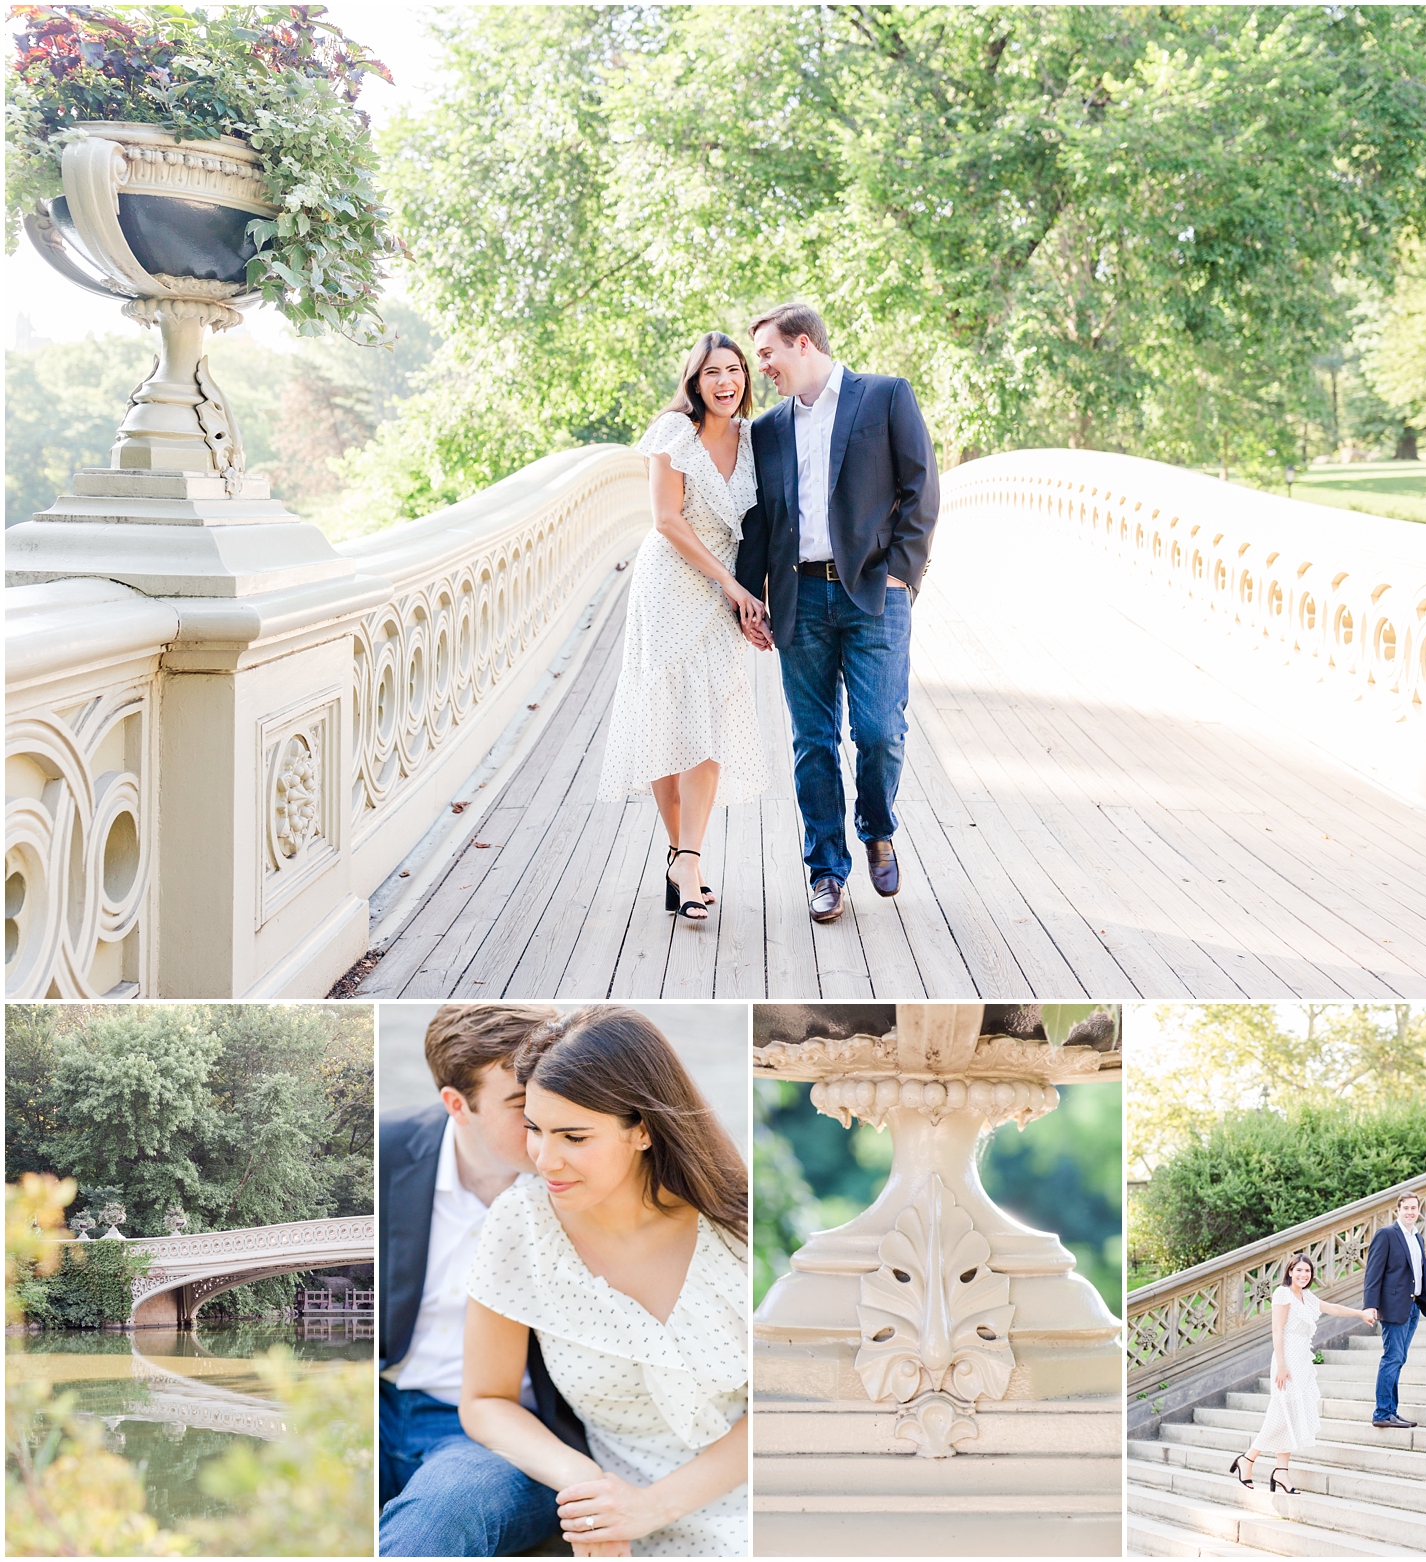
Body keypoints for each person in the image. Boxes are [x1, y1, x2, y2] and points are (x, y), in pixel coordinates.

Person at [460, 1007, 749, 1557]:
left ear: (641, 1130)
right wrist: (585, 1489)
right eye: (534, 1130)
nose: (545, 1158)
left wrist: (655, 1506)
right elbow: (484, 1400)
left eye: (573, 1136)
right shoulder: (520, 1225)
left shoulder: (733, 1225)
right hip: (615, 1511)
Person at [735, 302, 940, 924]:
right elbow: (758, 520)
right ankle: (826, 871)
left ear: (802, 344)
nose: (760, 367)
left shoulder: (884, 397)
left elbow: (920, 487)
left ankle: (877, 827)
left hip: (873, 595)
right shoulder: (767, 431)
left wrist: (902, 576)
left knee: (880, 731)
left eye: (767, 353)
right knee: (813, 742)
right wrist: (749, 597)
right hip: (799, 598)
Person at [379, 1004, 591, 1557]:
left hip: (498, 1436)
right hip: (374, 1401)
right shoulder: (384, 1149)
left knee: (437, 1524)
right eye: (523, 1106)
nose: (546, 1119)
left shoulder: (587, 1182)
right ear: (457, 1105)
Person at [598, 333, 770, 924]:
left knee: (712, 719)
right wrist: (731, 584)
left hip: (726, 590)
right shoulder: (673, 433)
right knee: (667, 721)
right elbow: (666, 520)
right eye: (713, 373)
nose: (726, 382)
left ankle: (687, 858)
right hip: (671, 584)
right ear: (694, 382)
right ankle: (683, 857)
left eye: (735, 371)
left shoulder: (756, 439)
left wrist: (755, 594)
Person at [1229, 1253, 1377, 1494]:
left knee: (1291, 1415)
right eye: (1298, 1270)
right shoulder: (1283, 1293)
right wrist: (1281, 1365)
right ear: (1290, 1272)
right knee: (1280, 1413)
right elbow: (1277, 1330)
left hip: (1302, 1362)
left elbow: (1334, 1308)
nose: (1303, 1275)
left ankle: (1281, 1471)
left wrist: (1360, 1313)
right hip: (1285, 1360)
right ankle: (1248, 1458)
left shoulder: (1307, 1297)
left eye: (1307, 1271)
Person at [1363, 1190, 1426, 1428]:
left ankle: (1391, 1411)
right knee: (1392, 1357)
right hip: (1393, 1306)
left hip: (1413, 1306)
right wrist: (1371, 1305)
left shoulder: (1417, 1237)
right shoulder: (1386, 1235)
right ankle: (1382, 1413)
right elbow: (1373, 1274)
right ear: (1398, 1210)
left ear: (1419, 1210)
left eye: (1414, 1208)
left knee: (1399, 1358)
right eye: (1406, 1208)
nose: (1411, 1212)